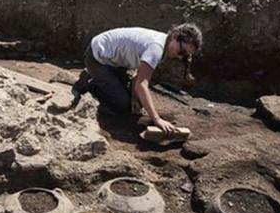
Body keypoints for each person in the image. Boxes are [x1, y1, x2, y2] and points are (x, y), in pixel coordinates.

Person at [72, 23, 202, 135]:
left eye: (185, 55)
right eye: (182, 51)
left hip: (116, 62)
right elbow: (142, 84)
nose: (180, 56)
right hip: (97, 58)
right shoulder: (156, 48)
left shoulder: (163, 44)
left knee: (134, 101)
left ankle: (102, 79)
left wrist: (134, 97)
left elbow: (138, 75)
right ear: (175, 36)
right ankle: (88, 82)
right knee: (120, 105)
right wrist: (156, 119)